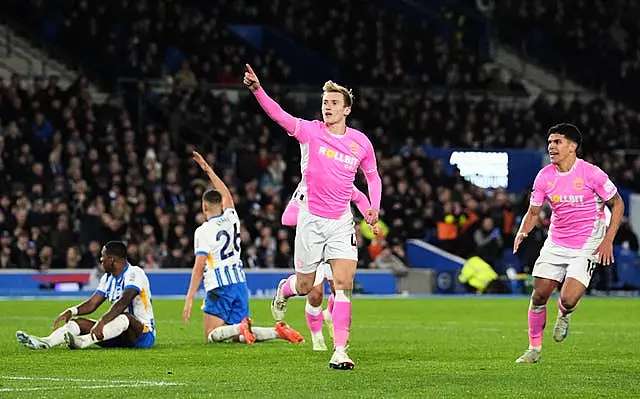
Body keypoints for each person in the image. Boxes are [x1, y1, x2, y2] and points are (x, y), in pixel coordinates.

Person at [244, 64, 382, 370]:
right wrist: (257, 90)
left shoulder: (361, 142)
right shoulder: (310, 131)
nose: (327, 107)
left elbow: (373, 177)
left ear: (346, 109)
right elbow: (279, 115)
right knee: (306, 287)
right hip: (311, 221)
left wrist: (374, 206)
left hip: (340, 223)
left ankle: (341, 350)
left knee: (343, 285)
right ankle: (285, 289)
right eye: (324, 102)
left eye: (333, 103)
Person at [513, 123, 624, 364]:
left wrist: (608, 240)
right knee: (539, 295)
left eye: (557, 142)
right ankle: (534, 349)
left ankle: (564, 314)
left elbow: (617, 204)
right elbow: (533, 212)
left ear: (572, 147)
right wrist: (522, 232)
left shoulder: (591, 173)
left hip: (587, 244)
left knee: (568, 299)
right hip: (556, 242)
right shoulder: (544, 176)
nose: (551, 146)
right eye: (550, 142)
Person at [183, 151, 304, 345]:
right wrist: (208, 170)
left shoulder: (203, 231)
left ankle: (241, 326)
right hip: (239, 283)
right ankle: (277, 332)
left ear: (204, 207)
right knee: (236, 337)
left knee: (211, 335)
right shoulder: (232, 218)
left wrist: (189, 298)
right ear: (221, 205)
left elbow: (199, 267)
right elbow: (227, 194)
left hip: (218, 285)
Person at [281, 144, 374, 351]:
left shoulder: (340, 181)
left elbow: (359, 197)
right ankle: (316, 337)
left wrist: (369, 215)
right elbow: (286, 218)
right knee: (313, 294)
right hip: (313, 243)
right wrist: (311, 218)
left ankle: (331, 322)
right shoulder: (306, 187)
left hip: (334, 241)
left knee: (338, 288)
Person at [16, 241, 156, 350]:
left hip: (141, 335)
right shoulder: (107, 278)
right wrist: (72, 311)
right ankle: (46, 342)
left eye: (103, 257)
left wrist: (102, 322)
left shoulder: (135, 273)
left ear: (112, 259)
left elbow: (123, 302)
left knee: (125, 317)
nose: (101, 260)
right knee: (77, 323)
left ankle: (83, 342)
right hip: (117, 333)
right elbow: (92, 303)